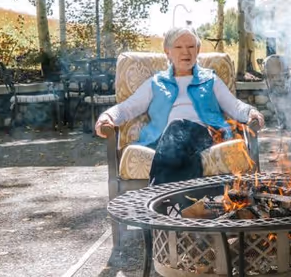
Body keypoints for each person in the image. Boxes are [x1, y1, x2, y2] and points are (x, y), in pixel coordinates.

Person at [94, 27, 265, 185]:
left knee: (179, 126)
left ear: (197, 51)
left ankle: (157, 201)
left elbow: (234, 105)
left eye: (191, 46)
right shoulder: (156, 83)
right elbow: (127, 107)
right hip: (166, 141)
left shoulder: (210, 80)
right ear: (167, 52)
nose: (186, 52)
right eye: (178, 47)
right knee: (178, 136)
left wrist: (251, 112)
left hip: (206, 135)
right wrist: (107, 117)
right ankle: (190, 207)